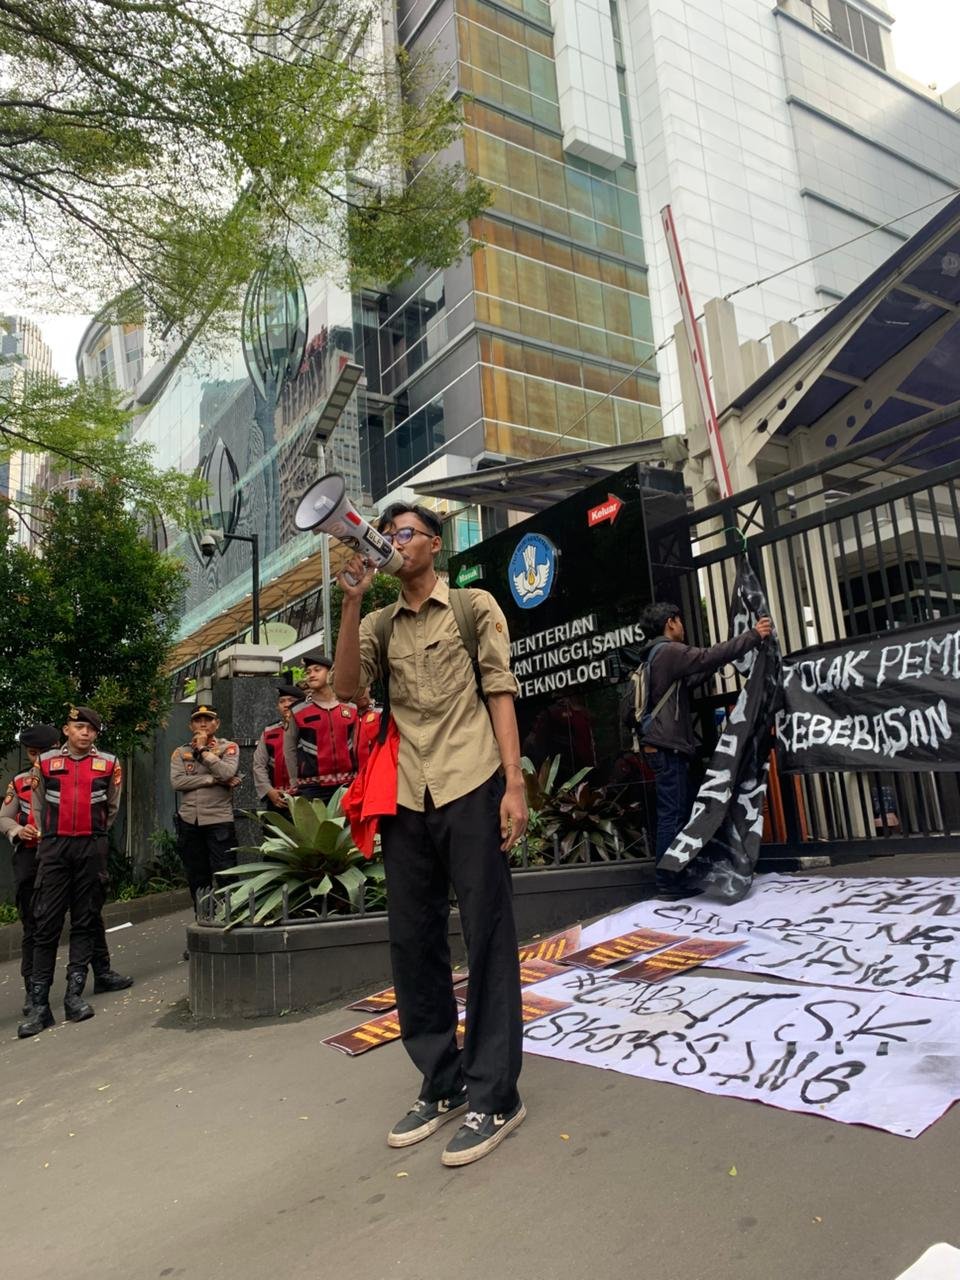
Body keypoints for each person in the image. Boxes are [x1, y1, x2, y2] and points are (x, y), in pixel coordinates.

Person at [333, 502, 528, 1169]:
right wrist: (352, 603)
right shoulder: (379, 622)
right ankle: (441, 1080)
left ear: (434, 544)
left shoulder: (473, 607)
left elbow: (499, 692)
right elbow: (347, 689)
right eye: (387, 534)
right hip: (405, 798)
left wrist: (514, 784)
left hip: (471, 783)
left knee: (487, 935)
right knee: (413, 942)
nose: (393, 542)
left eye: (405, 533)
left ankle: (496, 1094)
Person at [636, 603, 773, 890]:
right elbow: (706, 656)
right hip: (667, 747)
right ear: (670, 622)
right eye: (680, 621)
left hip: (663, 746)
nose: (682, 627)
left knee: (679, 811)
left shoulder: (654, 656)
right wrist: (753, 635)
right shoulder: (668, 651)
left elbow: (696, 673)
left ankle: (678, 873)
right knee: (673, 814)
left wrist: (718, 663)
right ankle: (667, 881)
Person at [1, 724, 131, 1019]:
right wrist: (19, 831)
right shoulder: (22, 781)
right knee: (38, 923)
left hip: (79, 848)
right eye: (31, 753)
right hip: (36, 855)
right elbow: (6, 817)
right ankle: (34, 993)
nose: (37, 757)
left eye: (42, 751)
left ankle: (97, 974)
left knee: (88, 916)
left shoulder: (92, 766)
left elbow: (108, 809)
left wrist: (91, 836)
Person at [171, 705, 241, 912]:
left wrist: (202, 750)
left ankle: (233, 916)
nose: (203, 724)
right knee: (197, 875)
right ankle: (204, 918)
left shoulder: (228, 747)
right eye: (198, 720)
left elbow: (227, 773)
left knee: (226, 872)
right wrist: (212, 779)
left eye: (208, 719)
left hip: (219, 820)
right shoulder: (181, 752)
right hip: (189, 821)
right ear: (190, 725)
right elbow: (177, 782)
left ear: (217, 724)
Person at [283, 653, 358, 804]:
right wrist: (294, 782)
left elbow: (357, 745)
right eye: (308, 672)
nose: (311, 675)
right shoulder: (298, 710)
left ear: (331, 673)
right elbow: (289, 748)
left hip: (348, 785)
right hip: (312, 788)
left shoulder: (350, 707)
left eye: (317, 670)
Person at [252, 680, 301, 814]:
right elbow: (259, 765)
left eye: (291, 700)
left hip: (305, 796)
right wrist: (269, 791)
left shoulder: (309, 727)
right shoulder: (269, 731)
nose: (286, 704)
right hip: (277, 798)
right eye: (282, 701)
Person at [354, 687, 382, 774]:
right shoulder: (348, 715)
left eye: (362, 688)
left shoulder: (381, 713)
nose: (360, 694)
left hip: (376, 773)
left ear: (369, 687)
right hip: (355, 776)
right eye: (356, 690)